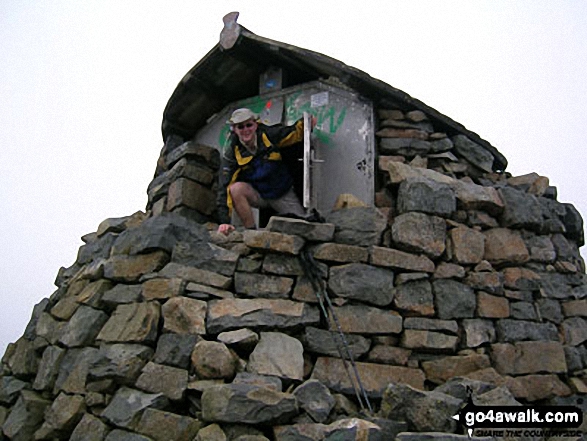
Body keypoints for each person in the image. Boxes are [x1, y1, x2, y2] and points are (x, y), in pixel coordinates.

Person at [216, 108, 316, 235]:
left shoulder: (269, 134)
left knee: (302, 228)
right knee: (236, 189)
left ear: (256, 124)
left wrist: (307, 122)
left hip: (282, 193)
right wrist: (224, 221)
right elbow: (224, 185)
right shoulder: (232, 152)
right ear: (234, 130)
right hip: (259, 195)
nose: (246, 130)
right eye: (240, 127)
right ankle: (251, 233)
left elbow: (293, 133)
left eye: (249, 125)